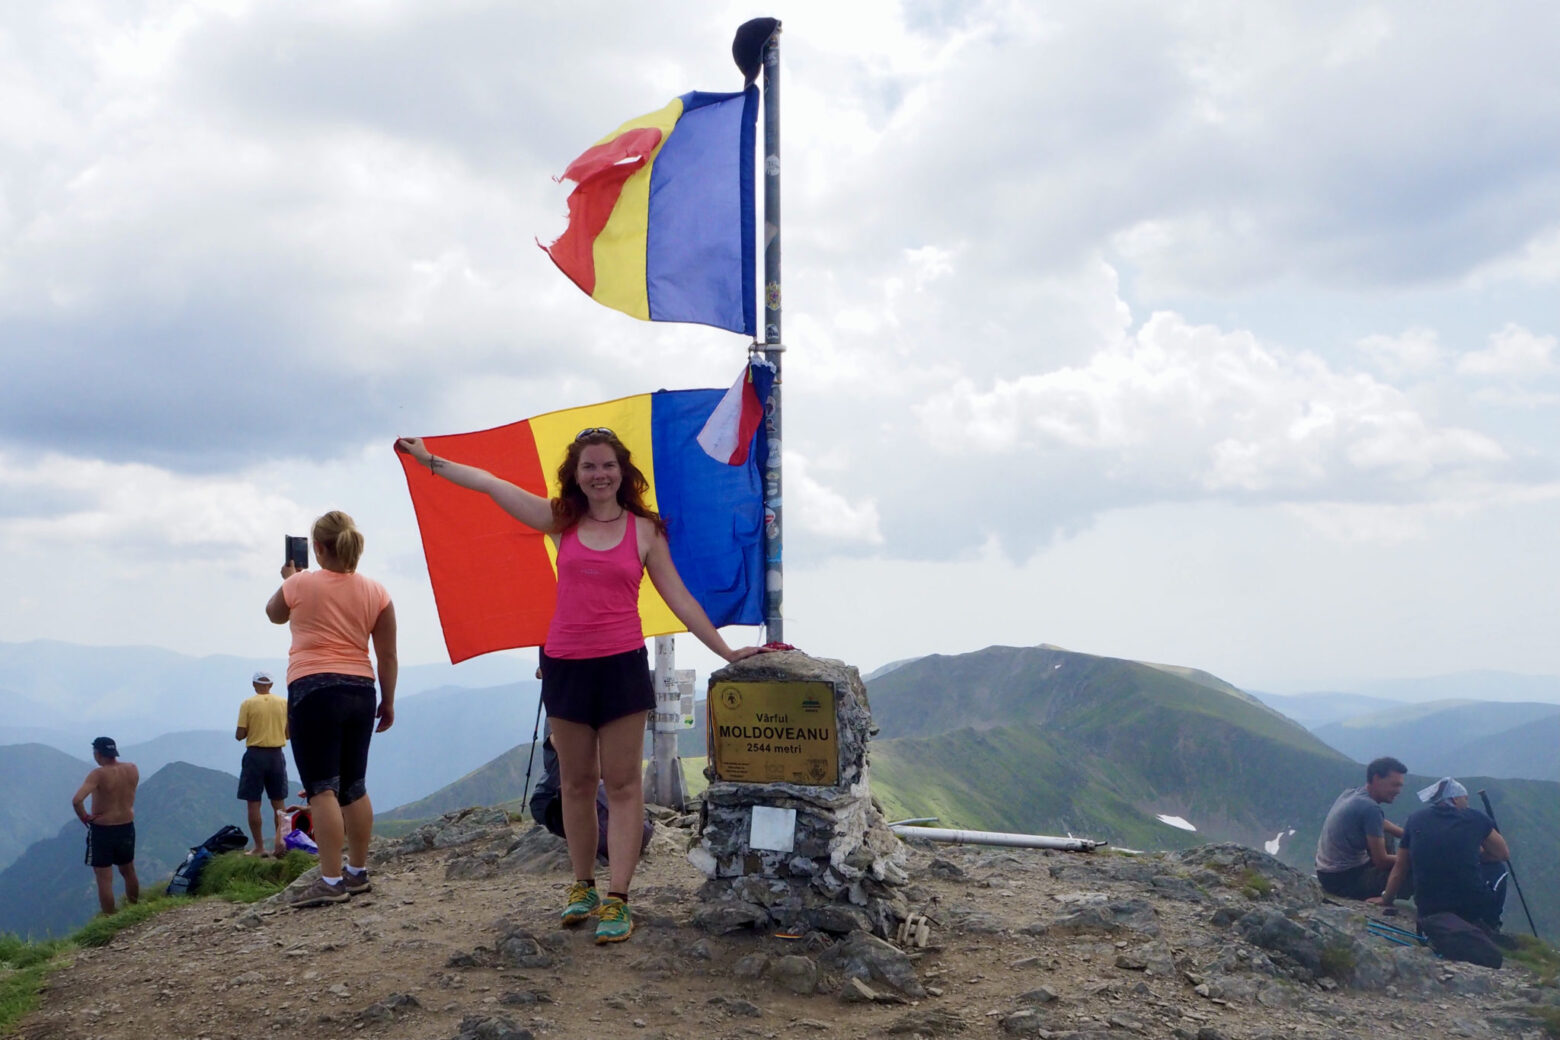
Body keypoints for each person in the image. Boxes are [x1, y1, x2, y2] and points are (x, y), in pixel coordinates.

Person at [396, 430, 761, 943]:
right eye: (589, 466)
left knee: (624, 784)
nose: (599, 475)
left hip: (622, 667)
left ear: (623, 471)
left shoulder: (644, 531)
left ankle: (619, 897)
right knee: (576, 783)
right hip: (565, 665)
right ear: (577, 473)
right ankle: (582, 885)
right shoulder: (560, 519)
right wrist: (429, 460)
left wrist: (726, 651)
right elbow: (491, 485)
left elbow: (678, 599)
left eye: (607, 465)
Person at [265, 510, 397, 908]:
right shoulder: (377, 592)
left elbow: (273, 614)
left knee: (322, 788)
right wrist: (388, 700)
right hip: (361, 689)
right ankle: (357, 873)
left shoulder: (301, 583)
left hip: (313, 690)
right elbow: (387, 655)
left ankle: (330, 879)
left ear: (318, 548)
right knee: (354, 786)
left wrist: (290, 581)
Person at [1373, 778, 1510, 933]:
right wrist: (1474, 856)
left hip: (1428, 907)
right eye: (1465, 799)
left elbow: (1401, 865)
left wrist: (1386, 898)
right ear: (1455, 799)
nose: (1468, 804)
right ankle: (1491, 924)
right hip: (1469, 909)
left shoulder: (1415, 819)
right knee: (1499, 868)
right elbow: (1503, 854)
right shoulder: (1475, 818)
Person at [1314, 756, 1413, 900]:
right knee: (1415, 868)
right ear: (1377, 778)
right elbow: (1381, 860)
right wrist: (1411, 859)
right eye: (1394, 785)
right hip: (1344, 880)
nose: (1398, 791)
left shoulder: (1352, 793)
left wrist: (1410, 836)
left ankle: (1388, 878)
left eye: (1400, 786)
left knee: (1386, 834)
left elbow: (1381, 823)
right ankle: (1385, 896)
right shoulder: (1370, 808)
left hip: (1326, 873)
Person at [71, 737, 141, 914]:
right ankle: (135, 908)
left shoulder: (98, 774)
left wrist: (85, 818)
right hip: (126, 826)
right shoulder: (132, 769)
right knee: (128, 870)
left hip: (103, 829)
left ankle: (110, 918)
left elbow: (77, 800)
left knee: (104, 878)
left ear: (98, 753)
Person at [235, 669, 291, 857]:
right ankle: (281, 844)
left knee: (253, 803)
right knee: (279, 803)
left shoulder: (247, 704)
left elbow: (239, 735)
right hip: (276, 755)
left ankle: (259, 847)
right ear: (271, 685)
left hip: (255, 755)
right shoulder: (284, 703)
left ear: (254, 685)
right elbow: (288, 734)